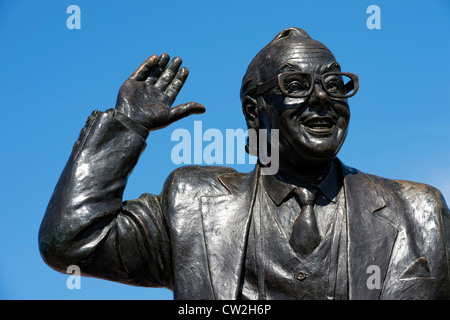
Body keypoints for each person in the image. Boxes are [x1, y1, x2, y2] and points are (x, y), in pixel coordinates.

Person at [39, 27, 450, 299]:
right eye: (296, 86)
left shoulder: (418, 210)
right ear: (255, 114)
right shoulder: (191, 204)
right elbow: (72, 242)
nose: (323, 98)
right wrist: (126, 126)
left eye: (334, 84)